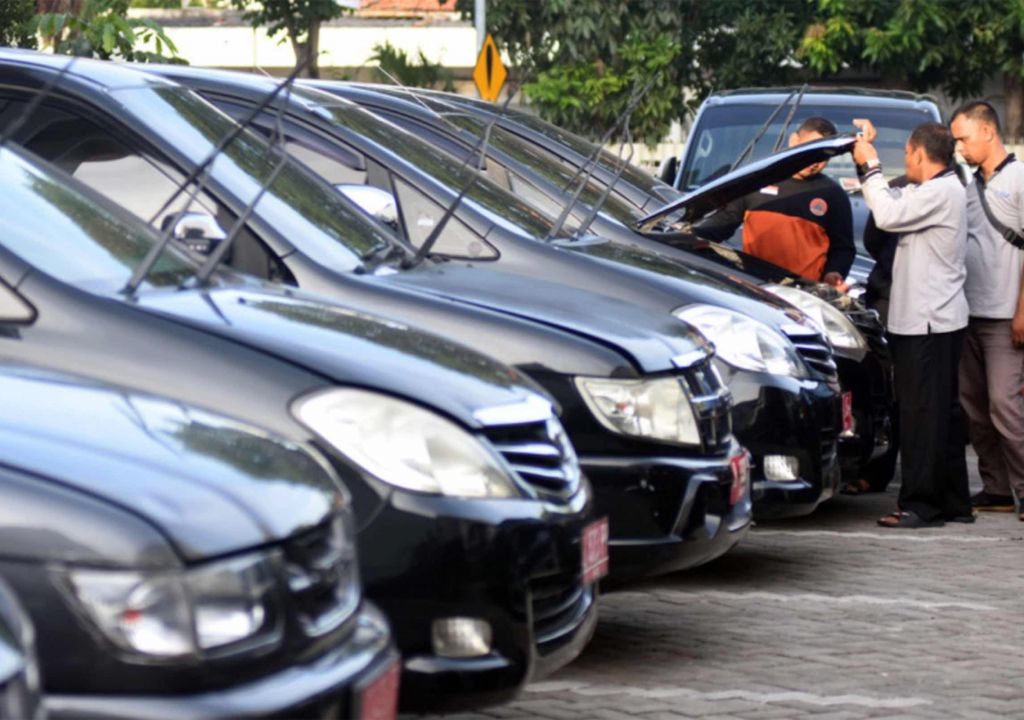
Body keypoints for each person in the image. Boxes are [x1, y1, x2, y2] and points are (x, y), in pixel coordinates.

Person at [852, 119, 972, 528]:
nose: (904, 161)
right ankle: (954, 501)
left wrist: (870, 166)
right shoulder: (935, 190)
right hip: (931, 319)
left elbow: (885, 214)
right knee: (943, 413)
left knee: (922, 415)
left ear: (920, 154)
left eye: (906, 154)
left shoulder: (941, 192)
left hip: (929, 322)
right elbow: (888, 199)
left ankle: (921, 504)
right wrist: (864, 157)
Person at [949, 101, 1024, 520]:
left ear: (988, 132)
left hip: (1004, 317)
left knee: (1005, 406)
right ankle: (995, 488)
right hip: (968, 315)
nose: (959, 147)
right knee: (974, 408)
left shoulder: (1019, 179)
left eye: (964, 138)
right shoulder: (968, 185)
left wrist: (1021, 313)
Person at [695, 116, 855, 287]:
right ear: (794, 140)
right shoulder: (757, 182)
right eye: (811, 150)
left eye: (823, 156)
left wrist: (834, 273)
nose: (814, 162)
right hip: (755, 285)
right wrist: (690, 237)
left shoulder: (833, 194)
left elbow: (843, 248)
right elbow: (723, 221)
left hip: (804, 293)